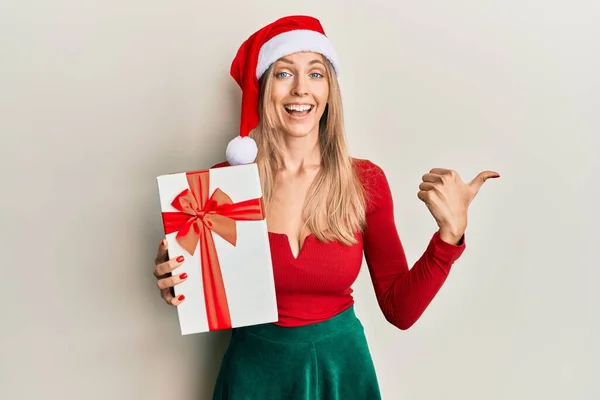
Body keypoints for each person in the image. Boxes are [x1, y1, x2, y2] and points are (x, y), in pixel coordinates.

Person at [153, 15, 499, 399]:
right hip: (255, 374)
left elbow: (400, 311)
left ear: (330, 91)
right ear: (264, 89)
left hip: (342, 371)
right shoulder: (223, 186)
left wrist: (449, 237)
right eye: (285, 74)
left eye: (316, 74)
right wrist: (178, 281)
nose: (301, 89)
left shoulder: (365, 181)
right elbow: (206, 296)